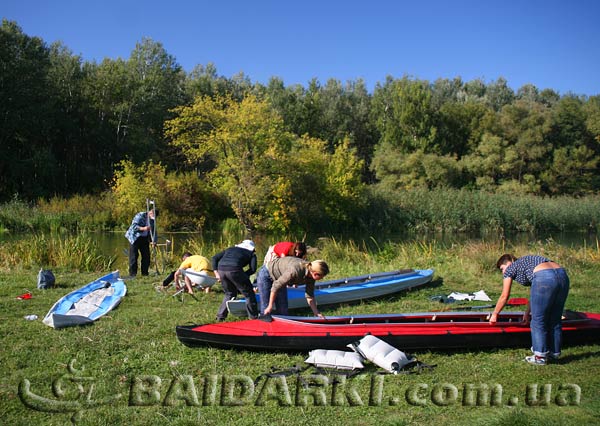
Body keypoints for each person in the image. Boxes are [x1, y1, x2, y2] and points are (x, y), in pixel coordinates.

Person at [490, 253, 570, 365]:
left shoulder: (511, 267)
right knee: (555, 318)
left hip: (544, 277)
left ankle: (540, 357)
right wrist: (527, 313)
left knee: (537, 321)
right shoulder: (528, 262)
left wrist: (495, 314)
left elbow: (505, 296)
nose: (503, 272)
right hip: (562, 275)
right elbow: (534, 295)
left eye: (502, 268)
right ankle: (554, 353)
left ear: (509, 262)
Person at [263, 258, 329, 318]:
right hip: (267, 273)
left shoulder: (311, 278)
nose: (322, 278)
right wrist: (270, 306)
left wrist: (316, 313)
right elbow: (276, 286)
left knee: (283, 311)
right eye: (322, 276)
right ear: (315, 273)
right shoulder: (295, 270)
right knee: (266, 307)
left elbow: (310, 296)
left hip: (281, 278)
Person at [212, 240, 259, 321]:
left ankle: (220, 317)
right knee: (249, 294)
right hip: (235, 269)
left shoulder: (230, 249)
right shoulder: (251, 254)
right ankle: (253, 317)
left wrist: (216, 273)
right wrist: (244, 276)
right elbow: (253, 269)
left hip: (221, 270)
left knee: (229, 293)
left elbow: (214, 258)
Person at [256, 241, 307, 315]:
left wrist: (294, 282)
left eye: (299, 253)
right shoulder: (286, 250)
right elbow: (284, 266)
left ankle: (283, 317)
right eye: (296, 252)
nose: (297, 254)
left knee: (282, 303)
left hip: (284, 263)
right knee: (266, 302)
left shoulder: (299, 257)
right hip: (274, 255)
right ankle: (265, 316)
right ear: (294, 249)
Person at [124, 208, 158, 277]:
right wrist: (143, 228)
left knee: (146, 256)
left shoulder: (152, 220)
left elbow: (154, 231)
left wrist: (154, 241)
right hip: (135, 238)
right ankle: (132, 275)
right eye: (152, 215)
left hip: (144, 238)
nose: (152, 218)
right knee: (134, 256)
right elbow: (134, 226)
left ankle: (145, 273)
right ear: (150, 212)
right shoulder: (140, 215)